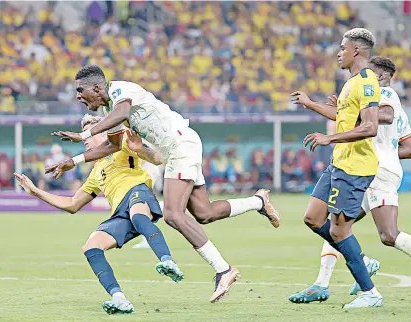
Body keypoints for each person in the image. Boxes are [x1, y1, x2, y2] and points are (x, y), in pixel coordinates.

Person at [45, 65, 280, 303]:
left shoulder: (120, 91)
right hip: (178, 149)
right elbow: (113, 145)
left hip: (180, 146)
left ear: (97, 87)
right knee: (203, 212)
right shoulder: (110, 110)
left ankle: (223, 270)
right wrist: (73, 161)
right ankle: (258, 201)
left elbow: (122, 113)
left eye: (80, 90)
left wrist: (85, 135)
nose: (77, 96)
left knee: (173, 215)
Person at [15, 114, 184, 315]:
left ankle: (167, 261)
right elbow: (72, 204)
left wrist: (142, 149)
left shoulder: (122, 145)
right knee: (91, 247)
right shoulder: (95, 171)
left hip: (137, 193)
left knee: (138, 215)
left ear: (103, 132)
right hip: (120, 213)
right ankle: (119, 298)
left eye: (89, 135)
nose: (85, 140)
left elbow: (157, 159)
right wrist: (35, 192)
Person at [289, 56, 411, 304]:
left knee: (388, 235)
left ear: (379, 76)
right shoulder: (373, 100)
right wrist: (341, 109)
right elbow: (408, 147)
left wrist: (352, 111)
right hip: (365, 167)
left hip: (376, 171)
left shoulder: (386, 94)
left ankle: (356, 278)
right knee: (337, 225)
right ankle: (322, 283)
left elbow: (387, 115)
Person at [289, 28, 383, 308]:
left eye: (342, 48)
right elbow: (344, 116)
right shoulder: (351, 82)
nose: (338, 53)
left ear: (356, 50)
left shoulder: (367, 82)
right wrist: (310, 104)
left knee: (341, 232)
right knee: (313, 218)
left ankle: (370, 293)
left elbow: (370, 126)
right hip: (339, 162)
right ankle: (362, 259)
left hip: (355, 166)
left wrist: (329, 137)